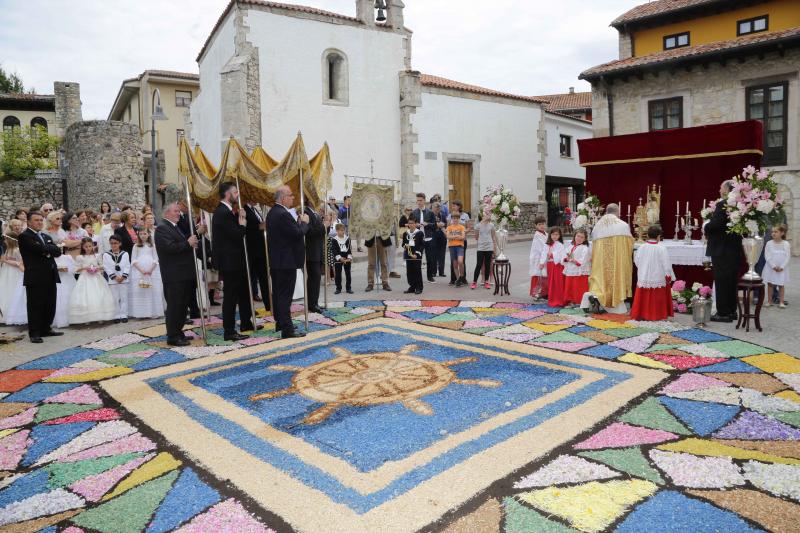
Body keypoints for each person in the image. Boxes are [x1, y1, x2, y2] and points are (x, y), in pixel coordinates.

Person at [212, 183, 256, 340]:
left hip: (235, 260)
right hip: (229, 262)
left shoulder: (226, 211)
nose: (238, 195)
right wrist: (242, 224)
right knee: (230, 297)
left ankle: (244, 323)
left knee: (240, 292)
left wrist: (239, 218)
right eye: (235, 192)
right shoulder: (222, 212)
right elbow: (236, 235)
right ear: (227, 194)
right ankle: (229, 331)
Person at [266, 185, 310, 339]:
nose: (293, 198)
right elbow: (298, 233)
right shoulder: (282, 214)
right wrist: (304, 223)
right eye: (291, 195)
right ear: (283, 197)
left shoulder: (273, 212)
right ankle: (287, 329)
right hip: (286, 262)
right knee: (285, 296)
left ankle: (281, 323)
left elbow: (288, 233)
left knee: (279, 295)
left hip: (278, 262)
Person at [155, 203, 199, 346]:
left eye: (179, 211)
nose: (178, 214)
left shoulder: (175, 227)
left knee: (182, 305)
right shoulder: (162, 228)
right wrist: (187, 243)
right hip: (174, 275)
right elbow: (169, 248)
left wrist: (190, 244)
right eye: (175, 211)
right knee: (175, 306)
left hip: (183, 273)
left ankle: (178, 332)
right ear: (166, 213)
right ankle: (173, 336)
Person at [17, 212, 62, 342]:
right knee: (35, 305)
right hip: (35, 276)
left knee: (49, 303)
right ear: (29, 222)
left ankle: (45, 328)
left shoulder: (45, 235)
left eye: (41, 220)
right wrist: (48, 249)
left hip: (50, 274)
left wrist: (46, 249)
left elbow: (57, 252)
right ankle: (35, 332)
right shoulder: (25, 236)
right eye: (36, 220)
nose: (40, 222)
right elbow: (37, 249)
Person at [582, 203, 634, 314]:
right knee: (615, 278)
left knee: (601, 280)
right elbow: (629, 245)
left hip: (601, 262)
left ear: (606, 211)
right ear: (617, 212)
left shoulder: (597, 226)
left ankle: (598, 296)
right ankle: (613, 301)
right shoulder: (623, 225)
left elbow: (592, 246)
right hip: (616, 261)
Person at [704, 181, 743, 322]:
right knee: (732, 281)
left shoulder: (723, 204)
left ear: (726, 190)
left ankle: (723, 313)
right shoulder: (740, 205)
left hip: (722, 250)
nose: (719, 189)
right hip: (734, 249)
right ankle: (732, 311)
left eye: (721, 187)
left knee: (722, 281)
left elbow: (715, 225)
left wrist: (706, 226)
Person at [630, 225, 675, 321]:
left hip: (644, 276)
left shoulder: (641, 247)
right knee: (657, 298)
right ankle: (656, 315)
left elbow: (636, 260)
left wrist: (643, 269)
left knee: (643, 297)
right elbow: (666, 264)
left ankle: (641, 314)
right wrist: (668, 276)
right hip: (657, 276)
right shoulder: (662, 248)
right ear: (658, 236)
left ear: (648, 235)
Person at [69, 237, 116, 325]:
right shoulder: (80, 257)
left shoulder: (97, 256)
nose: (88, 248)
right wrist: (84, 268)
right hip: (85, 278)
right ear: (83, 247)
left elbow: (103, 266)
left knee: (99, 295)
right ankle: (86, 317)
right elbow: (75, 269)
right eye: (86, 246)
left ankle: (100, 316)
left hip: (96, 277)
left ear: (93, 246)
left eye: (90, 246)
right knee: (86, 296)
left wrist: (96, 268)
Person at [129, 228, 164, 318]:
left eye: (144, 233)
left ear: (148, 234)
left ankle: (153, 312)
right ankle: (142, 313)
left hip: (152, 270)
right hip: (139, 271)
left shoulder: (152, 246)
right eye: (140, 234)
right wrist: (141, 270)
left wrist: (151, 270)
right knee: (141, 290)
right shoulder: (136, 246)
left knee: (152, 289)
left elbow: (156, 259)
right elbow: (133, 260)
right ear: (138, 235)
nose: (143, 235)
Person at [0, 220, 28, 326]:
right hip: (6, 272)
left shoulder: (17, 250)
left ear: (10, 240)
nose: (5, 241)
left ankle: (12, 313)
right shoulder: (7, 250)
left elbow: (20, 262)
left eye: (6, 240)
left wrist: (6, 261)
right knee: (4, 289)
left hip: (14, 272)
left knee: (12, 290)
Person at [244, 203, 271, 309]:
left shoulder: (254, 209)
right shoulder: (244, 209)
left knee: (264, 279)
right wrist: (258, 227)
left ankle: (268, 303)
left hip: (260, 250)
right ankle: (251, 306)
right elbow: (245, 229)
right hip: (253, 252)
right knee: (253, 279)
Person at [304, 204, 326, 313]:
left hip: (317, 251)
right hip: (311, 252)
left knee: (316, 278)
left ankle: (315, 302)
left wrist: (326, 225)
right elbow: (310, 232)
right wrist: (323, 226)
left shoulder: (314, 213)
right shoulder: (306, 212)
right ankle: (312, 304)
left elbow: (320, 231)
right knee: (314, 278)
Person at [103, 235, 131, 324]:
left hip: (123, 279)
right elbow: (106, 267)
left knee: (124, 297)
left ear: (120, 243)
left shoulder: (125, 253)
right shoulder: (106, 255)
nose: (113, 245)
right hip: (113, 280)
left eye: (115, 243)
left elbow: (127, 265)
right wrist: (114, 277)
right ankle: (116, 315)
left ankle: (124, 315)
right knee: (115, 298)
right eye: (111, 243)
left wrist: (123, 276)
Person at [763, 224, 790, 308]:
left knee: (781, 284)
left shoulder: (786, 244)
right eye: (772, 232)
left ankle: (781, 302)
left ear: (782, 233)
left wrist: (782, 267)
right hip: (771, 268)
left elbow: (787, 257)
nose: (773, 233)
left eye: (776, 232)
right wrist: (773, 266)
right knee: (770, 284)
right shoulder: (769, 243)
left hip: (782, 268)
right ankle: (769, 301)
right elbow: (767, 256)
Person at [563, 228, 591, 306]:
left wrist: (573, 260)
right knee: (570, 286)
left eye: (582, 237)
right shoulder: (570, 246)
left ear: (585, 239)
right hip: (570, 270)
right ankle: (571, 300)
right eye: (578, 236)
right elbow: (564, 255)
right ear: (574, 236)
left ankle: (579, 302)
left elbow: (583, 261)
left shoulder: (585, 248)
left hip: (580, 271)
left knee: (578, 287)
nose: (579, 238)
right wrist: (566, 258)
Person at [540, 226, 566, 307]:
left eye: (557, 234)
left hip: (557, 266)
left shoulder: (560, 245)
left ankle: (558, 299)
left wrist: (552, 254)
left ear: (559, 236)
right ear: (550, 235)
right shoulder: (547, 245)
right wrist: (541, 262)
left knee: (557, 283)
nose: (555, 236)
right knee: (551, 283)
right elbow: (544, 254)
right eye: (553, 234)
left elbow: (560, 255)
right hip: (550, 266)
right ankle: (552, 299)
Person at [448, 201, 471, 285]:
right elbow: (448, 228)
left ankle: (463, 278)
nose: (453, 207)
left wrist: (463, 232)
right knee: (453, 262)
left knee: (461, 260)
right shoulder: (449, 215)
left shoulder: (465, 215)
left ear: (459, 206)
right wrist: (452, 235)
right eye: (452, 206)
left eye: (454, 206)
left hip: (461, 242)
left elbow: (469, 227)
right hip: (452, 243)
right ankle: (454, 279)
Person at [472, 215, 496, 289]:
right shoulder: (478, 225)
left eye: (488, 215)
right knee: (479, 264)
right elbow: (476, 237)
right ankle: (474, 282)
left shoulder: (491, 225)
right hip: (481, 247)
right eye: (485, 215)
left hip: (489, 247)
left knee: (488, 265)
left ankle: (486, 281)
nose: (487, 216)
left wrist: (494, 248)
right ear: (482, 216)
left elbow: (493, 236)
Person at [402, 214, 424, 294]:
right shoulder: (405, 233)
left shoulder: (419, 233)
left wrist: (416, 254)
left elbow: (421, 245)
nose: (410, 225)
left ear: (415, 224)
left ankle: (419, 287)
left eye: (412, 223)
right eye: (409, 223)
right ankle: (412, 286)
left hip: (416, 256)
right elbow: (403, 243)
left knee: (417, 271)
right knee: (409, 272)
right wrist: (405, 247)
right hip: (408, 255)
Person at [53, 250, 76, 328]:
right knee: (58, 299)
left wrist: (67, 269)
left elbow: (74, 268)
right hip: (56, 281)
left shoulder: (67, 257)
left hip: (68, 280)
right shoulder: (50, 258)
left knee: (69, 297)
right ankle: (61, 320)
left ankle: (73, 318)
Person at [529, 216, 548, 300]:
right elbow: (542, 247)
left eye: (543, 224)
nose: (542, 226)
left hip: (544, 257)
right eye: (539, 224)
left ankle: (543, 292)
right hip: (538, 258)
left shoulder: (546, 234)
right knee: (537, 275)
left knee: (544, 276)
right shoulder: (537, 235)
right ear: (536, 226)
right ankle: (535, 293)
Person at [330, 223, 353, 295]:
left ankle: (348, 288)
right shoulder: (334, 240)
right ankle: (338, 288)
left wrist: (349, 258)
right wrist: (340, 258)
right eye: (341, 230)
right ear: (337, 231)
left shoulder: (347, 239)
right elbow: (334, 250)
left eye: (343, 230)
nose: (342, 232)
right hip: (338, 258)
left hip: (346, 258)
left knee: (348, 273)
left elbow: (349, 249)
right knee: (338, 274)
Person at [446, 215, 467, 287]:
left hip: (460, 246)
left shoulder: (461, 227)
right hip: (452, 247)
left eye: (456, 218)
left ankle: (461, 276)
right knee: (455, 264)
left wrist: (453, 237)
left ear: (459, 219)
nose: (455, 220)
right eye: (454, 218)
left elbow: (463, 237)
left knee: (460, 261)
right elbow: (448, 236)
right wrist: (457, 236)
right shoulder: (449, 227)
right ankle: (458, 280)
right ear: (452, 219)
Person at [431, 202, 448, 277]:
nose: (437, 209)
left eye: (438, 207)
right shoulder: (430, 215)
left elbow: (446, 224)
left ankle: (441, 271)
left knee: (442, 255)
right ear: (432, 207)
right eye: (436, 207)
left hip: (442, 237)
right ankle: (433, 271)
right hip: (433, 237)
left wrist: (443, 224)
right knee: (433, 254)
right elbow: (428, 225)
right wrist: (437, 225)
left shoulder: (442, 215)